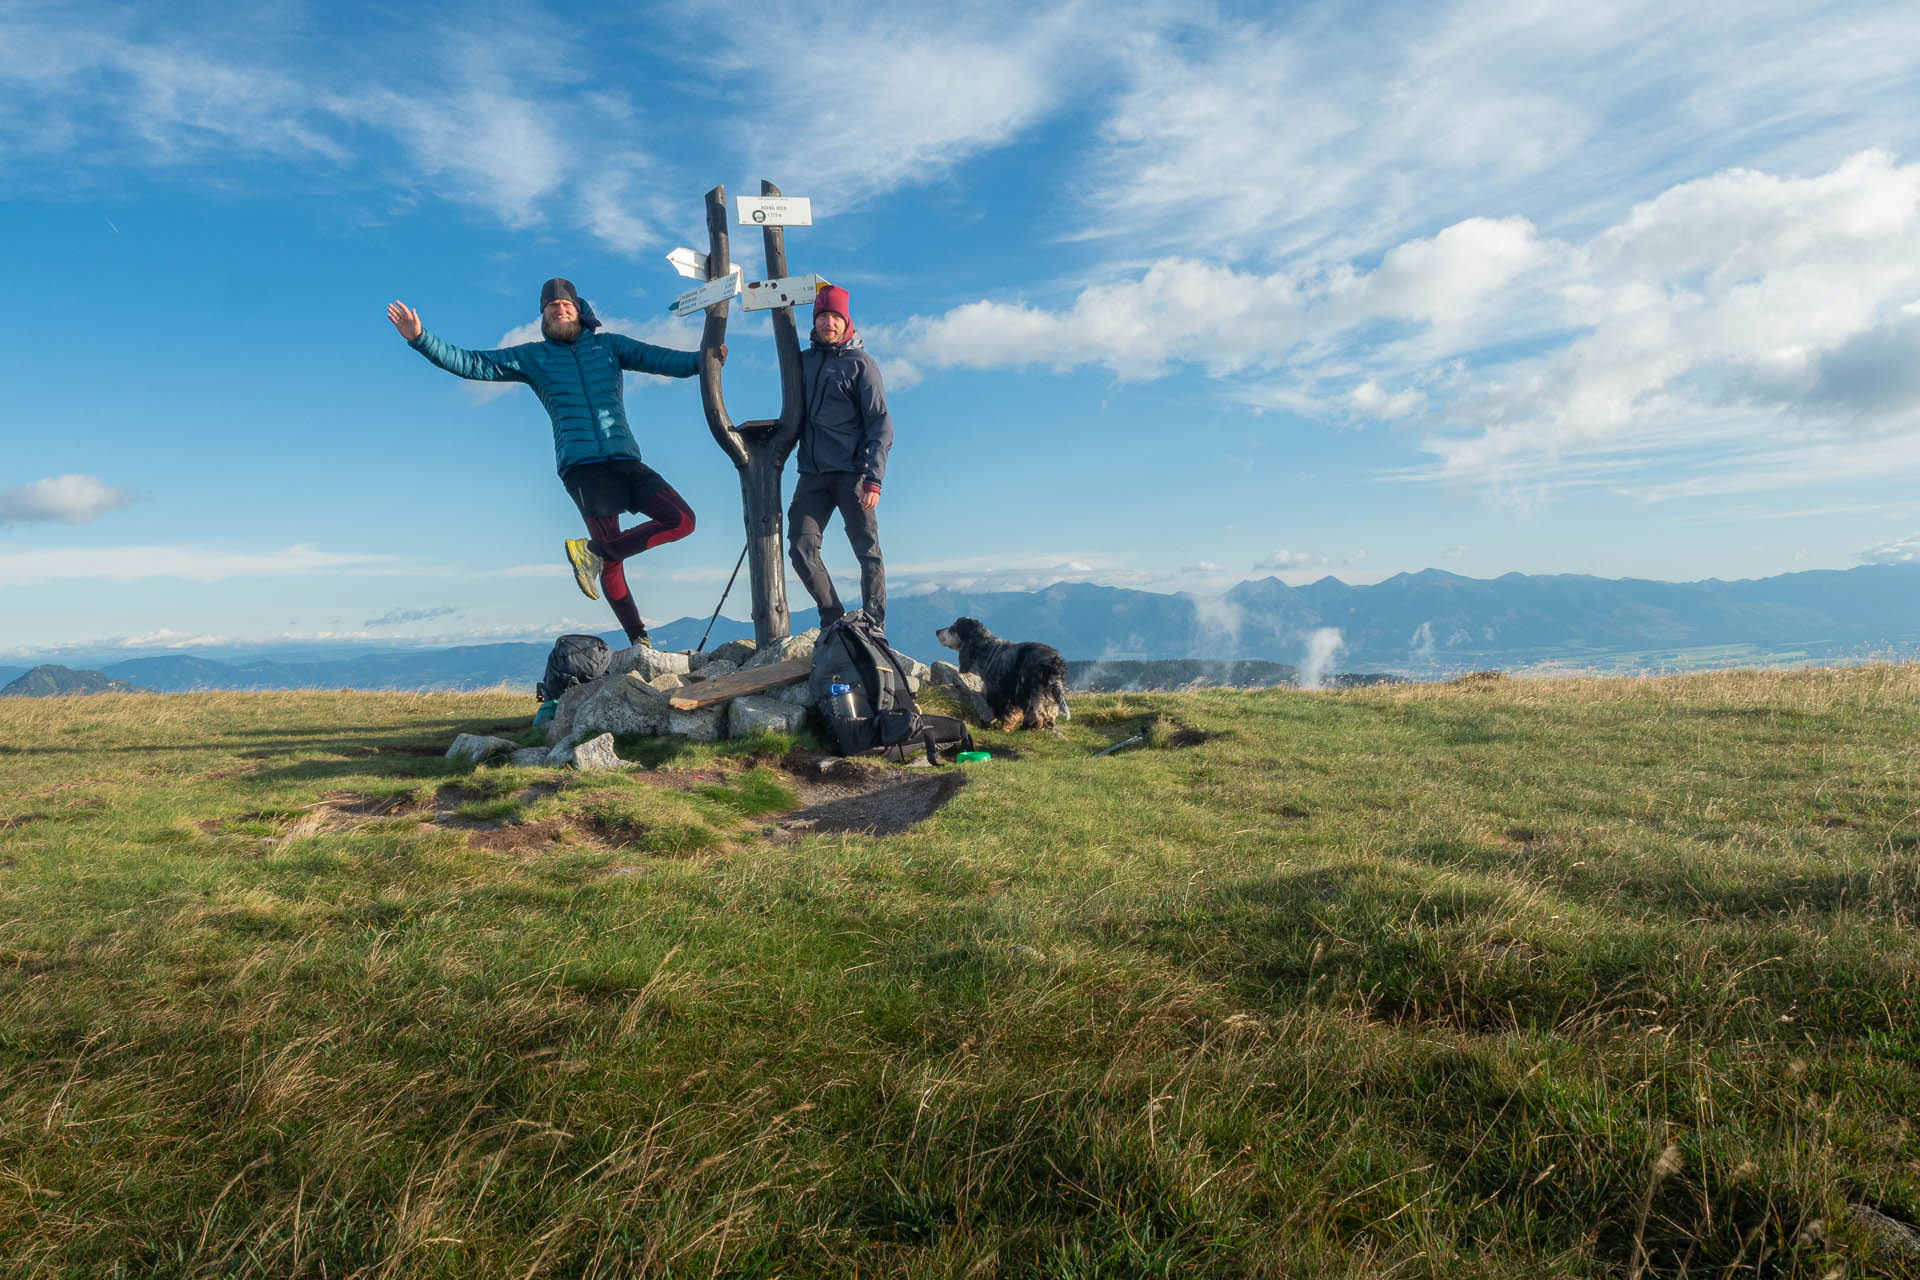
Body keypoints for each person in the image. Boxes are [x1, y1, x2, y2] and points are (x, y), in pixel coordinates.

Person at [385, 279, 721, 647]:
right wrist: (420, 339)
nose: (560, 310)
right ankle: (638, 638)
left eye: (566, 305)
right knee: (613, 563)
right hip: (582, 468)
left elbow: (662, 359)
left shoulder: (610, 346)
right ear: (542, 315)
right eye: (552, 307)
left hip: (626, 458)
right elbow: (472, 363)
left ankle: (593, 552)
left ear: (579, 310)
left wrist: (704, 361)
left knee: (682, 520)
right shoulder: (533, 357)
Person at [788, 284, 892, 631]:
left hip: (853, 474)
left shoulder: (861, 365)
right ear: (814, 321)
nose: (828, 323)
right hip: (812, 475)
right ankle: (833, 619)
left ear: (846, 322)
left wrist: (873, 477)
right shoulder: (801, 362)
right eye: (822, 316)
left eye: (835, 317)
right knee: (801, 548)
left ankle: (874, 625)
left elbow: (880, 423)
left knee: (867, 551)